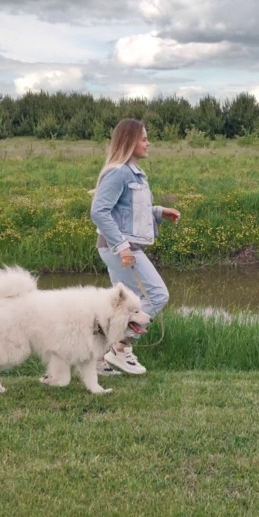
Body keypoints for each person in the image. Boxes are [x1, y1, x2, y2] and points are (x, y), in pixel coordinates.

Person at [89, 118, 180, 375]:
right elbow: (99, 211)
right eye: (143, 138)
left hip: (122, 248)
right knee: (157, 295)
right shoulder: (119, 172)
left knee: (118, 306)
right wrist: (122, 247)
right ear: (129, 142)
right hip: (121, 250)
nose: (147, 143)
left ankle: (97, 360)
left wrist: (159, 212)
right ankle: (120, 347)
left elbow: (130, 212)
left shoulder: (134, 173)